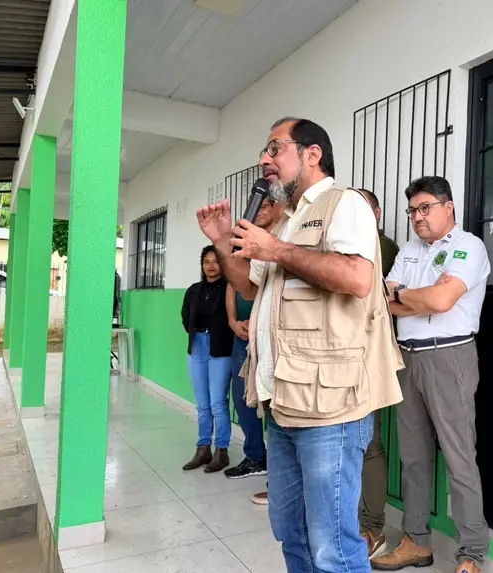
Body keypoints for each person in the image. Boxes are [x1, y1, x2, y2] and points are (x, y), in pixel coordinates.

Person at [196, 117, 403, 573]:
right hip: (283, 399)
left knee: (333, 546)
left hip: (330, 407)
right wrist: (222, 241)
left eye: (275, 148)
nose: (264, 159)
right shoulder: (287, 222)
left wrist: (275, 250)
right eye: (264, 151)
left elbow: (357, 277)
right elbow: (249, 287)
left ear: (312, 154)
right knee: (291, 531)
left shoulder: (344, 203)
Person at [372, 176, 490, 573]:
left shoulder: (468, 247)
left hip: (449, 356)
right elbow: (383, 302)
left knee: (459, 458)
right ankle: (416, 542)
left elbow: (441, 300)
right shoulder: (408, 250)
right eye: (412, 211)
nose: (417, 217)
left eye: (425, 208)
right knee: (413, 458)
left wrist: (407, 295)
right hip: (407, 357)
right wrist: (418, 298)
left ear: (448, 207)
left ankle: (471, 552)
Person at [223, 198, 285, 482]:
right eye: (255, 204)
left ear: (278, 208)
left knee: (275, 399)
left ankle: (279, 467)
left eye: (265, 204)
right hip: (242, 335)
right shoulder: (244, 241)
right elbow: (233, 285)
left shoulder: (282, 239)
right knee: (242, 396)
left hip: (271, 333)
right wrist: (232, 321)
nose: (258, 208)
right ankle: (255, 456)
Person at [357, 188, 399, 559]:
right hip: (340, 356)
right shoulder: (344, 244)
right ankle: (355, 522)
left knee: (369, 443)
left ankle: (372, 528)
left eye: (363, 208)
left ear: (378, 214)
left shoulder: (381, 247)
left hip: (369, 356)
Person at [179, 245, 235, 473]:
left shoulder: (230, 288)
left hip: (220, 347)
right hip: (197, 347)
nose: (211, 266)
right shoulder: (194, 290)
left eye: (215, 261)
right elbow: (185, 317)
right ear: (202, 265)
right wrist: (197, 334)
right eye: (206, 262)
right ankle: (203, 449)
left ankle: (221, 450)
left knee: (217, 403)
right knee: (202, 404)